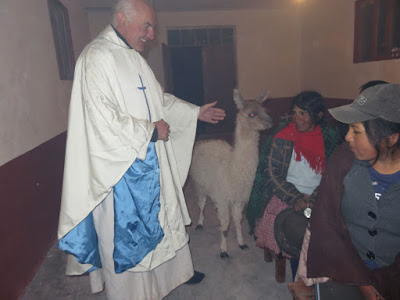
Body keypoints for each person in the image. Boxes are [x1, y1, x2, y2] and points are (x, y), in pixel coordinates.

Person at [56, 0, 226, 299]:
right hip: (121, 168)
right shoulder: (97, 56)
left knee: (164, 218)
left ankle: (174, 274)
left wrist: (194, 112)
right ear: (121, 18)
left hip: (151, 158)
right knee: (127, 235)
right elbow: (99, 116)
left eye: (152, 27)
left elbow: (158, 100)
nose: (150, 34)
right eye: (145, 26)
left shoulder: (134, 58)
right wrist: (149, 131)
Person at [291, 83, 400, 300]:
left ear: (390, 138)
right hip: (344, 263)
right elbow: (327, 225)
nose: (348, 137)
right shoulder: (343, 160)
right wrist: (363, 284)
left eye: (356, 131)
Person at [246, 91, 341, 280]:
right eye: (294, 113)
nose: (297, 119)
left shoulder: (329, 138)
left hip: (319, 194)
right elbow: (272, 175)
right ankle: (300, 282)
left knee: (334, 229)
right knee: (296, 232)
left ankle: (323, 278)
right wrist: (295, 198)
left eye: (303, 114)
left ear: (318, 115)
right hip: (287, 194)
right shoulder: (283, 137)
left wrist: (314, 199)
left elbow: (333, 175)